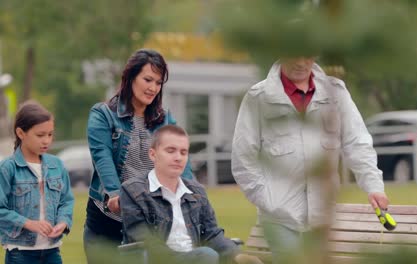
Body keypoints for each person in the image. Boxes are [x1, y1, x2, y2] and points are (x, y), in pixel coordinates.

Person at [231, 57, 389, 262]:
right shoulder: (257, 98)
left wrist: (373, 186)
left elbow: (357, 143)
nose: (300, 63)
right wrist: (267, 199)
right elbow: (243, 158)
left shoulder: (336, 93)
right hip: (280, 219)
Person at [84, 49, 194, 261]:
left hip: (147, 219)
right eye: (147, 79)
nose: (153, 88)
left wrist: (192, 192)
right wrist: (116, 193)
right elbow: (102, 156)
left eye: (159, 82)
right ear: (130, 77)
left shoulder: (165, 120)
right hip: (107, 221)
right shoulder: (103, 115)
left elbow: (179, 160)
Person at [121, 125, 262, 264]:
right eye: (171, 151)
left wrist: (236, 255)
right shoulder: (133, 191)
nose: (178, 158)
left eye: (183, 152)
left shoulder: (196, 191)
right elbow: (144, 241)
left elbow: (212, 233)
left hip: (197, 258)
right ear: (153, 154)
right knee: (207, 255)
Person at [0, 101, 74, 264]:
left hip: (52, 251)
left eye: (50, 134)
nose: (46, 141)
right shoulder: (8, 168)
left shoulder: (57, 165)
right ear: (21, 133)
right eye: (40, 135)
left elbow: (66, 201)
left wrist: (63, 222)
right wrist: (28, 223)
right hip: (20, 254)